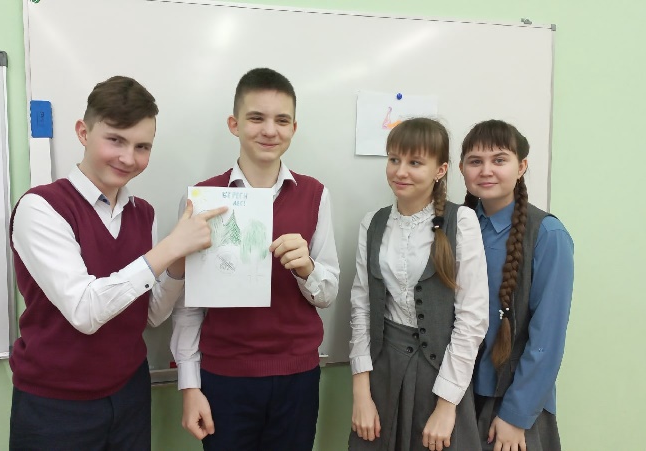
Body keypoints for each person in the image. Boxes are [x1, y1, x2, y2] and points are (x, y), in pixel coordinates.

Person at [8, 75, 225, 450]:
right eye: (115, 140)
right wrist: (168, 248)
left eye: (142, 147)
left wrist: (178, 263)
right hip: (56, 404)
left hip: (130, 394)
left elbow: (149, 315)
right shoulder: (41, 207)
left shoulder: (143, 213)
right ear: (83, 132)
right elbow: (85, 311)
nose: (128, 158)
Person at [170, 67, 340, 451]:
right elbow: (188, 306)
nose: (269, 130)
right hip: (224, 378)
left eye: (281, 120)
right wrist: (189, 386)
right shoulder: (202, 199)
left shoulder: (315, 194)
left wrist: (307, 269)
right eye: (256, 118)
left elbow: (327, 294)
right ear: (234, 124)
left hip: (297, 376)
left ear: (294, 128)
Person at [349, 118, 489, 451]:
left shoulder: (461, 221)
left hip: (440, 374)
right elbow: (361, 306)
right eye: (394, 159)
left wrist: (447, 405)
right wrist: (361, 393)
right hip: (382, 370)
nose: (400, 171)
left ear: (440, 170)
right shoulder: (373, 223)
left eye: (415, 162)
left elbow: (472, 318)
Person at [460, 119, 574, 451]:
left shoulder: (547, 235)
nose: (486, 170)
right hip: (458, 396)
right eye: (475, 161)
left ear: (521, 166)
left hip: (512, 403)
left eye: (499, 160)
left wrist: (516, 415)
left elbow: (547, 339)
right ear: (461, 168)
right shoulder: (458, 227)